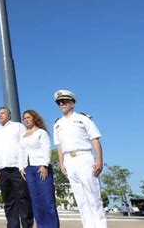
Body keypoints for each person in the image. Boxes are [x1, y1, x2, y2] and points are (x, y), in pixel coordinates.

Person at [53, 89, 107, 228]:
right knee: (81, 199)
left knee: (93, 197)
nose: (62, 104)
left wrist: (99, 160)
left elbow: (95, 140)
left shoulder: (83, 119)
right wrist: (61, 163)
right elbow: (59, 146)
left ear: (73, 103)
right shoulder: (57, 124)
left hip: (84, 157)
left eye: (65, 101)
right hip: (69, 160)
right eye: (59, 102)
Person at [0, 106, 34, 228]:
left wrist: (23, 165)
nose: (0, 115)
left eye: (3, 113)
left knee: (23, 198)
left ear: (9, 115)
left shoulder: (18, 126)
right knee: (8, 201)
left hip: (18, 168)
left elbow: (24, 146)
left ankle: (27, 225)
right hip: (2, 170)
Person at [19, 110, 59, 228]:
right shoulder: (23, 136)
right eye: (24, 118)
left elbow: (46, 148)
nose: (26, 120)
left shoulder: (41, 132)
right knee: (36, 201)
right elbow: (21, 151)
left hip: (40, 167)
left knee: (47, 199)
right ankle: (41, 225)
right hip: (28, 170)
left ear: (34, 118)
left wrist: (44, 165)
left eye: (28, 117)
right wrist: (21, 167)